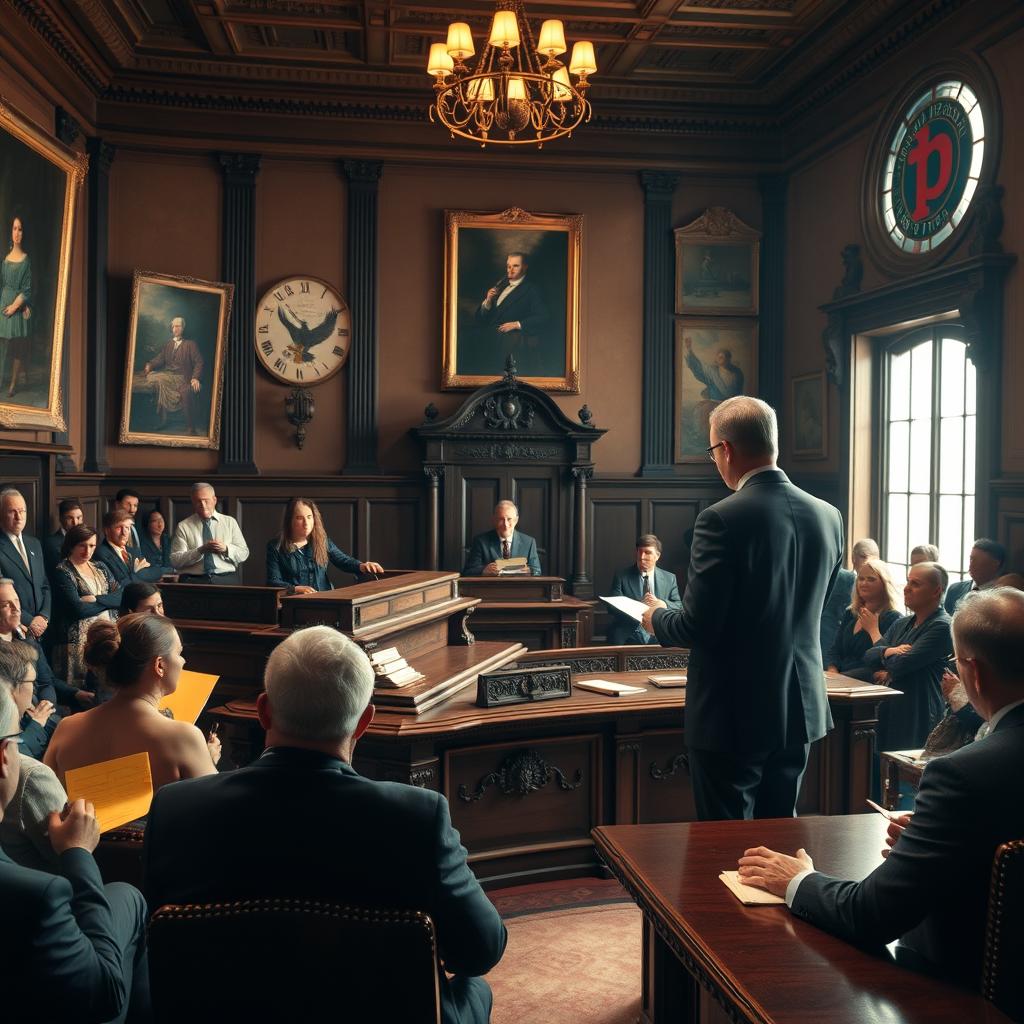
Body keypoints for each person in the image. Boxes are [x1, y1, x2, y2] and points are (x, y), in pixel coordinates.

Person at [143, 626, 506, 1024]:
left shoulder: (177, 809)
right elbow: (481, 949)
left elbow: (159, 953)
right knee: (474, 989)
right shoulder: (416, 817)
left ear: (263, 711)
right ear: (364, 721)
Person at [736, 587, 1024, 991]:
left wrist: (798, 879)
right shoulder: (970, 780)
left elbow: (871, 917)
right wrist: (941, 833)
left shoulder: (961, 774)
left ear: (973, 673)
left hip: (967, 985)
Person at [642, 396, 844, 821]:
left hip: (734, 711)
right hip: (801, 705)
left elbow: (697, 625)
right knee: (780, 836)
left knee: (725, 841)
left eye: (712, 450)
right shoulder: (828, 516)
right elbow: (814, 608)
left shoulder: (720, 519)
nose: (715, 460)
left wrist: (656, 616)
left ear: (727, 449)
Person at [0, 688, 150, 1023]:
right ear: (4, 757)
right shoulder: (42, 896)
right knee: (131, 898)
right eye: (16, 738)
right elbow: (104, 996)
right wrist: (77, 852)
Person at [45, 613, 220, 791]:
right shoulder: (183, 738)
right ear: (160, 665)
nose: (183, 661)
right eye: (179, 653)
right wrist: (207, 759)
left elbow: (47, 801)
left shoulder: (66, 729)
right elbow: (212, 810)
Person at [864, 562, 952, 756]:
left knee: (904, 776)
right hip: (890, 707)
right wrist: (889, 651)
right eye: (907, 581)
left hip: (917, 710)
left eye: (915, 584)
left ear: (936, 591)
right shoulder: (902, 622)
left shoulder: (942, 626)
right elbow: (869, 657)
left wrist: (887, 662)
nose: (906, 588)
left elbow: (902, 665)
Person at [0, 575, 90, 711]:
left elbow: (46, 682)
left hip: (47, 712)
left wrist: (75, 693)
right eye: (6, 605)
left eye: (17, 601)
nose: (16, 609)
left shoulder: (27, 640)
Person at [50, 525, 121, 691]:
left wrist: (96, 599)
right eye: (82, 545)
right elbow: (78, 610)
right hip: (76, 642)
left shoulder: (100, 566)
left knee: (106, 687)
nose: (87, 551)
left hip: (107, 637)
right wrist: (108, 602)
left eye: (92, 546)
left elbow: (121, 595)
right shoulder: (63, 571)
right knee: (81, 692)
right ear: (71, 545)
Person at [266, 497, 384, 593]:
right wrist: (295, 589)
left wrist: (362, 566)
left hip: (326, 600)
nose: (306, 523)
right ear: (289, 520)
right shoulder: (276, 547)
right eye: (299, 518)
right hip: (294, 604)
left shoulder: (322, 541)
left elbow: (343, 560)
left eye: (309, 517)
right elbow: (273, 581)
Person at [469, 251, 549, 376]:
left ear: (525, 267)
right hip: (488, 333)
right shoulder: (501, 286)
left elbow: (542, 317)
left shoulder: (531, 289)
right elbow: (481, 319)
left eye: (515, 266)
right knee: (464, 337)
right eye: (508, 266)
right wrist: (488, 301)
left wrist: (517, 324)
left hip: (505, 338)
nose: (510, 270)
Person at [824, 558, 902, 681]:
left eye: (871, 579)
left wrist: (873, 630)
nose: (863, 583)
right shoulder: (851, 613)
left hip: (866, 684)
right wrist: (832, 670)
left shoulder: (893, 618)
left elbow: (887, 660)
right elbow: (835, 649)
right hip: (838, 679)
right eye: (860, 578)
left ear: (884, 584)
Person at [606, 534, 682, 646]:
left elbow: (679, 606)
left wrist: (663, 604)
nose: (641, 557)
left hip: (659, 633)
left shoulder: (669, 578)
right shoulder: (621, 576)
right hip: (629, 634)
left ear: (657, 556)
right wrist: (638, 607)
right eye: (639, 551)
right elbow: (611, 608)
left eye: (647, 552)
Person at [171, 481, 249, 583]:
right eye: (198, 501)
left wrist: (226, 549)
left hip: (226, 579)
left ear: (214, 500)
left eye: (206, 501)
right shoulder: (183, 526)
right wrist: (200, 551)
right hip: (193, 580)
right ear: (193, 503)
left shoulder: (230, 522)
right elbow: (175, 560)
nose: (203, 505)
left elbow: (244, 553)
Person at [819, 538, 880, 668]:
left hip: (858, 658)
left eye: (872, 558)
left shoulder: (881, 593)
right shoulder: (841, 578)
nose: (867, 562)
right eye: (863, 556)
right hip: (827, 643)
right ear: (853, 559)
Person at [0, 487, 50, 640]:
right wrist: (30, 621)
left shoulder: (34, 543)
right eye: (12, 511)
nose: (19, 517)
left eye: (22, 511)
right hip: (16, 631)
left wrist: (44, 616)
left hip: (43, 629)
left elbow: (45, 585)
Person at [142, 316, 204, 435]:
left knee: (159, 379)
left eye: (178, 326)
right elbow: (160, 359)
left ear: (183, 328)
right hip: (169, 375)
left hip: (183, 377)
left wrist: (195, 378)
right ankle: (163, 420)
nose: (175, 329)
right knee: (157, 379)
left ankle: (190, 427)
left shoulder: (190, 344)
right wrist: (150, 364)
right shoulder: (169, 344)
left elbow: (199, 362)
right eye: (173, 326)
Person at [0, 642, 53, 760]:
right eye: (32, 682)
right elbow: (15, 756)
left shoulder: (24, 717)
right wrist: (36, 725)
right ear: (11, 687)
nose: (34, 690)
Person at [462, 500, 542, 577]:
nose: (505, 524)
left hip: (520, 589)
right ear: (494, 520)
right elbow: (468, 571)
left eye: (509, 519)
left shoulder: (529, 542)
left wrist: (530, 571)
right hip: (490, 589)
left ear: (516, 520)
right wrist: (483, 570)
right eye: (501, 519)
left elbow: (537, 571)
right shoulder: (480, 541)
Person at [0, 214, 32, 398]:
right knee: (3, 343)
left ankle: (13, 384)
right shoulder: (5, 259)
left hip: (17, 306)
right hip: (3, 303)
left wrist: (14, 307)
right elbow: (3, 284)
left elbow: (27, 290)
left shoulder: (26, 260)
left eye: (20, 229)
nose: (17, 233)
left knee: (18, 345)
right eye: (14, 228)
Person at [93, 509, 162, 588]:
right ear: (107, 530)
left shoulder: (133, 551)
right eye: (119, 528)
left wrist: (137, 574)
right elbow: (121, 584)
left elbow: (156, 571)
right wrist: (138, 573)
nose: (124, 532)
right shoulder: (100, 554)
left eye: (127, 528)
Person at [944, 538, 1006, 614]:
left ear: (995, 564)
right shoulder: (954, 589)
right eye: (971, 559)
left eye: (977, 560)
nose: (971, 564)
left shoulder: (1003, 596)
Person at [43, 498, 84, 577]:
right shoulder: (51, 543)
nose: (75, 523)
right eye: (70, 518)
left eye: (79, 518)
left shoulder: (87, 541)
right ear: (61, 519)